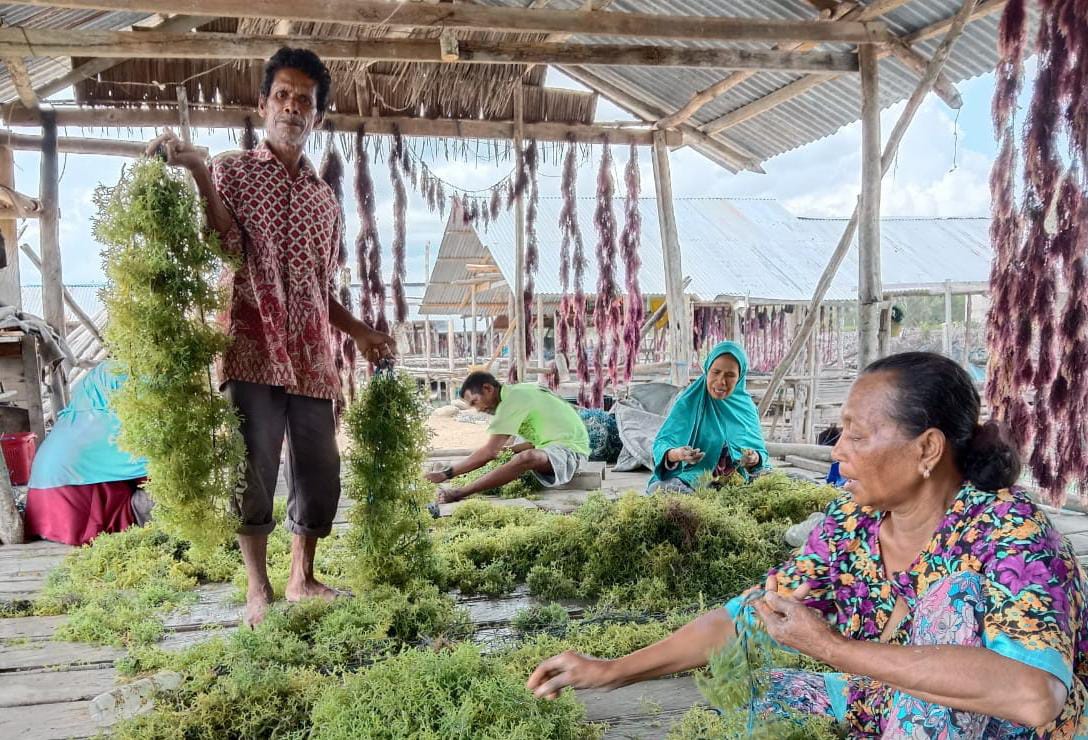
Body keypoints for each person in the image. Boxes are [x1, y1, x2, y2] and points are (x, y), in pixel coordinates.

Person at [527, 352, 1088, 737]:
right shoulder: (853, 522)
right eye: (840, 431)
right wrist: (613, 668)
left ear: (927, 449)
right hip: (887, 701)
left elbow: (1034, 696)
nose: (838, 449)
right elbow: (751, 616)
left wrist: (833, 649)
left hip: (1015, 728)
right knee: (742, 686)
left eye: (857, 435)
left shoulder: (1012, 534)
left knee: (950, 604)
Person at [147, 48, 395, 626]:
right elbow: (223, 242)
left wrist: (359, 331)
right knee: (253, 469)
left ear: (318, 117)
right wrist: (199, 172)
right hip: (250, 346)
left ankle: (302, 578)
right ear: (262, 105)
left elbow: (317, 286)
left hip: (312, 359)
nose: (291, 106)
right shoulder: (232, 170)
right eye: (281, 95)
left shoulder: (324, 199)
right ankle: (258, 589)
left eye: (303, 100)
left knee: (319, 470)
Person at [23, 361, 150, 546]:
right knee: (162, 495)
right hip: (79, 522)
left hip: (43, 516)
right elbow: (156, 473)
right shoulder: (110, 423)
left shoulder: (73, 419)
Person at [425, 372, 589, 504]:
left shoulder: (511, 402)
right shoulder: (518, 391)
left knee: (527, 457)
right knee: (509, 448)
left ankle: (460, 493)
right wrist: (508, 451)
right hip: (559, 442)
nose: (478, 409)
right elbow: (537, 438)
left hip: (570, 452)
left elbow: (490, 452)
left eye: (475, 402)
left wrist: (446, 475)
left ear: (488, 389)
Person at [647, 341, 768, 494]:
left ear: (740, 377)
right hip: (692, 479)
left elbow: (760, 454)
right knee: (662, 490)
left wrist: (753, 459)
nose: (721, 382)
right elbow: (662, 444)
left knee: (785, 484)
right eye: (715, 372)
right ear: (707, 370)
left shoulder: (747, 408)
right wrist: (678, 454)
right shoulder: (688, 403)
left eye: (730, 375)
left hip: (737, 484)